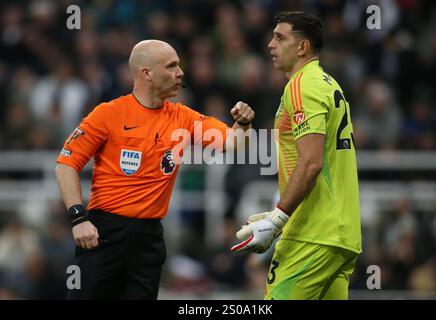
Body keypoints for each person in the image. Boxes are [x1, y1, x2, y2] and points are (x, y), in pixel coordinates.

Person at [55, 39, 255, 300]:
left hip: (149, 238)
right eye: (171, 66)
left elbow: (234, 143)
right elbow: (66, 163)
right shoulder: (108, 114)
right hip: (104, 234)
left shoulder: (183, 117)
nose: (180, 73)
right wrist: (78, 218)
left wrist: (244, 123)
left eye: (179, 66)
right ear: (146, 73)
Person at [231, 11, 362, 300]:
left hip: (311, 235)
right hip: (341, 236)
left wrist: (279, 218)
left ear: (302, 47)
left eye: (280, 37)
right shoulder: (329, 84)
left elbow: (312, 162)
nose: (270, 44)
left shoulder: (302, 85)